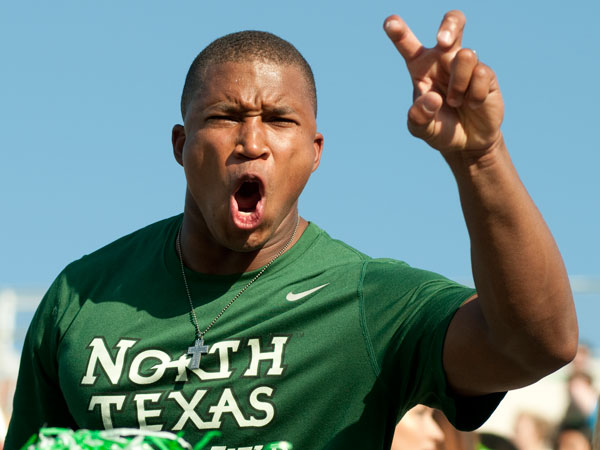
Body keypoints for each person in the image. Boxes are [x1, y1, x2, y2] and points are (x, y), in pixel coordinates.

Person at [5, 9, 578, 450]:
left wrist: (480, 158)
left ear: (314, 153)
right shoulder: (82, 299)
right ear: (181, 146)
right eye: (224, 117)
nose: (251, 142)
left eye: (280, 121)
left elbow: (535, 345)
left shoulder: (366, 301)